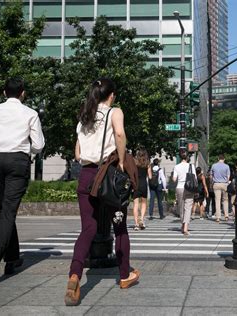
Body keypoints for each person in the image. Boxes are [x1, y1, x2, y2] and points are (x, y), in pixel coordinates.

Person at [65, 78, 140, 306]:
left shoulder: (84, 116)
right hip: (108, 178)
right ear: (112, 95)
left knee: (88, 228)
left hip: (86, 176)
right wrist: (119, 161)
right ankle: (125, 275)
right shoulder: (114, 111)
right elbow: (119, 135)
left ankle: (75, 275)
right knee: (119, 227)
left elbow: (78, 154)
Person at [0, 78, 45, 285]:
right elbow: (38, 145)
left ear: (4, 93)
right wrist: (25, 154)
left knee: (5, 209)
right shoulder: (30, 113)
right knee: (8, 211)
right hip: (17, 162)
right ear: (23, 93)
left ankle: (12, 258)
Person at [173, 150, 196, 236]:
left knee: (181, 207)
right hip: (189, 188)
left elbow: (174, 179)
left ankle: (183, 225)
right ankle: (185, 227)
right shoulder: (191, 166)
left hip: (179, 187)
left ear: (179, 157)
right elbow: (195, 178)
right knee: (188, 207)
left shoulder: (176, 167)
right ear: (187, 157)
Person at [133, 149, 151, 230]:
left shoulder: (135, 163)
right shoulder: (147, 163)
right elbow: (150, 177)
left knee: (136, 204)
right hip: (144, 184)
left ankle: (136, 224)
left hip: (136, 184)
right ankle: (142, 219)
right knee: (144, 203)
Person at [211, 154, 231, 222]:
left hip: (216, 184)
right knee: (225, 200)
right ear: (224, 159)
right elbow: (228, 177)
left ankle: (218, 217)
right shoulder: (227, 166)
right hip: (225, 184)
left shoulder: (214, 165)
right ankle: (226, 216)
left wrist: (212, 182)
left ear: (218, 158)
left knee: (217, 200)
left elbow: (211, 175)